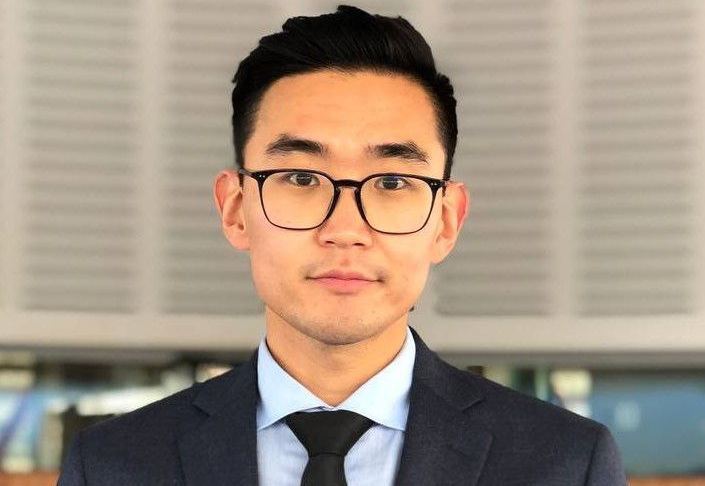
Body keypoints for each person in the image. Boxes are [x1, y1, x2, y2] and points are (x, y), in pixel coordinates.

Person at [57, 5, 626, 485]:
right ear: (235, 210)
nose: (345, 228)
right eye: (302, 178)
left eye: (393, 182)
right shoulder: (111, 465)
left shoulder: (565, 464)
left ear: (446, 221)